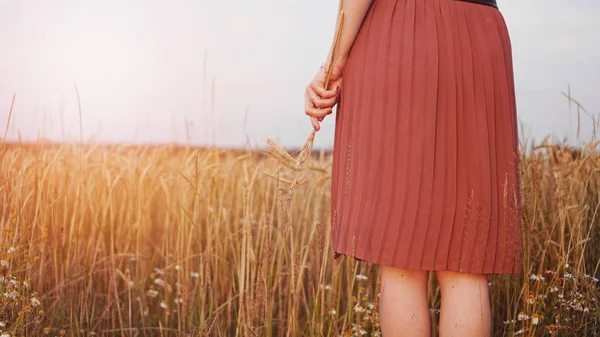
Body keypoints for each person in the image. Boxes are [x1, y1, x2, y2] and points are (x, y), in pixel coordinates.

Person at [304, 0, 523, 336]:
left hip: (403, 32)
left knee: (401, 257)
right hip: (481, 36)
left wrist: (333, 63)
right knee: (467, 261)